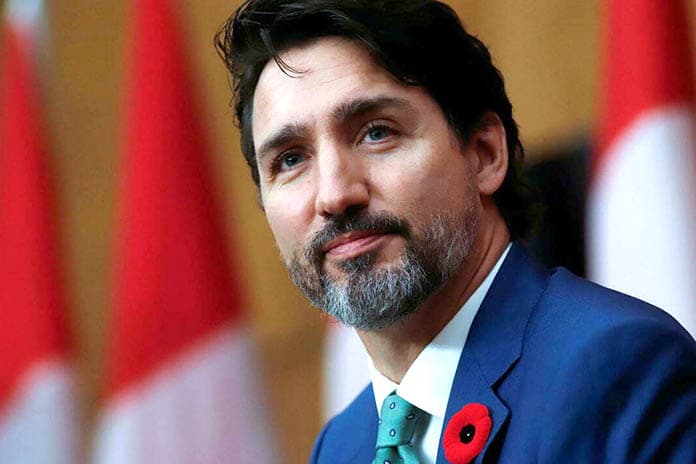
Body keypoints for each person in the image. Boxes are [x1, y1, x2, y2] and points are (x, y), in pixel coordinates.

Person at [215, 1, 696, 462]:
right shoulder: (341, 447)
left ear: (484, 155)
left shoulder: (618, 369)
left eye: (376, 132)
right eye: (291, 160)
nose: (335, 194)